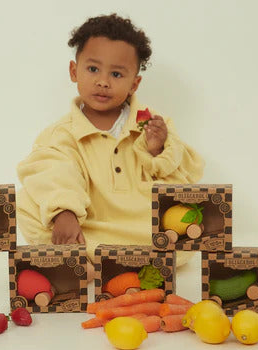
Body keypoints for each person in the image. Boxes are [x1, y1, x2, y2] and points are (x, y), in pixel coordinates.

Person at [16, 14, 204, 264]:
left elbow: (186, 175)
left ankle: (92, 261)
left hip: (143, 227)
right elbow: (53, 169)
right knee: (26, 203)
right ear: (74, 71)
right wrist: (64, 211)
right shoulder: (62, 132)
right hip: (87, 224)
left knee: (188, 218)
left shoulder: (151, 124)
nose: (103, 82)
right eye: (93, 69)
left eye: (116, 75)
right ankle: (90, 256)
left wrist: (158, 150)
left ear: (134, 84)